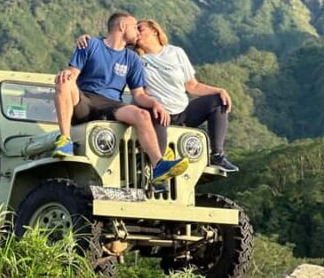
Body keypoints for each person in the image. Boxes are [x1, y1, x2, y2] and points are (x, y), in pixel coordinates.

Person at [76, 18, 238, 173]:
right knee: (155, 128)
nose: (137, 32)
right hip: (156, 111)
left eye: (141, 28)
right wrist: (86, 39)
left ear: (154, 31)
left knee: (218, 101)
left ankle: (217, 155)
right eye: (135, 29)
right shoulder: (134, 57)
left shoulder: (176, 53)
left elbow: (191, 85)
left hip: (182, 110)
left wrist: (219, 90)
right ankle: (157, 170)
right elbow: (112, 45)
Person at [53, 11, 189, 187]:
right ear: (122, 26)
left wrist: (155, 103)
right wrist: (66, 73)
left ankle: (158, 165)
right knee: (64, 82)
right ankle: (64, 140)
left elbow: (138, 95)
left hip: (111, 104)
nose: (137, 32)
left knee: (142, 115)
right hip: (85, 98)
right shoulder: (91, 44)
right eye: (134, 27)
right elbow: (73, 73)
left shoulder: (132, 59)